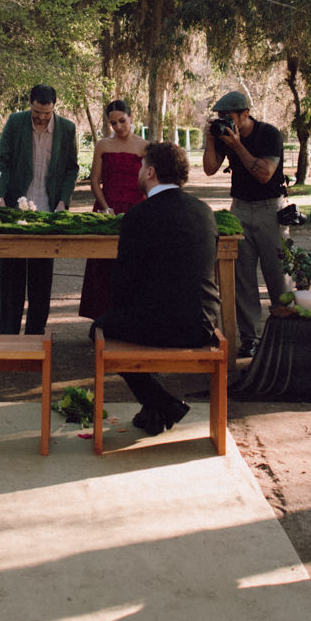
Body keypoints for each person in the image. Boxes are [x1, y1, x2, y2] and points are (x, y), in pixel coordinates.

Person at [92, 141, 222, 435]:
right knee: (137, 318)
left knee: (100, 328)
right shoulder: (204, 212)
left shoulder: (138, 216)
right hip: (202, 323)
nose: (138, 172)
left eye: (141, 166)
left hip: (162, 326)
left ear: (150, 172)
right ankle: (153, 410)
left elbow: (122, 285)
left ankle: (163, 403)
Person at [200, 87, 285, 358]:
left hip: (270, 208)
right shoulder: (224, 136)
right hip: (240, 208)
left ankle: (284, 334)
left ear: (245, 114)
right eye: (220, 117)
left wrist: (238, 146)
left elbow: (265, 174)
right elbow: (209, 169)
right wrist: (211, 140)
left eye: (228, 116)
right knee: (242, 278)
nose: (224, 121)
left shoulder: (269, 134)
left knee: (278, 274)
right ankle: (250, 338)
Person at [0, 83, 80, 334]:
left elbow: (72, 168)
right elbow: (2, 160)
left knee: (41, 277)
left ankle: (36, 334)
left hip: (48, 210)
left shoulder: (67, 129)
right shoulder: (16, 122)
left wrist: (63, 201)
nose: (41, 118)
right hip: (15, 208)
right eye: (37, 112)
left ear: (54, 107)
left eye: (46, 113)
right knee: (11, 274)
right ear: (30, 104)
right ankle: (6, 335)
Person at [79, 99, 149, 322]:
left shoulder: (145, 146)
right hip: (106, 210)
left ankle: (132, 320)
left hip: (136, 210)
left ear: (131, 118)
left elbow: (149, 181)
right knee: (103, 266)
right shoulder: (103, 145)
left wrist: (145, 210)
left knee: (134, 264)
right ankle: (102, 321)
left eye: (122, 121)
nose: (118, 126)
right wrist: (105, 207)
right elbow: (95, 181)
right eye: (113, 123)